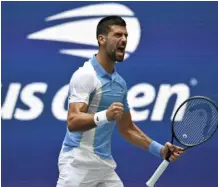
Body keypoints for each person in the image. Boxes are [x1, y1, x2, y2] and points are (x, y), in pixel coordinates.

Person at [56, 15, 184, 187]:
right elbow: (73, 121)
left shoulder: (120, 84)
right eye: (117, 35)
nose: (123, 39)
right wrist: (105, 116)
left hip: (104, 166)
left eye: (125, 36)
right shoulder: (85, 75)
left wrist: (160, 150)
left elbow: (127, 128)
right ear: (101, 39)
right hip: (77, 164)